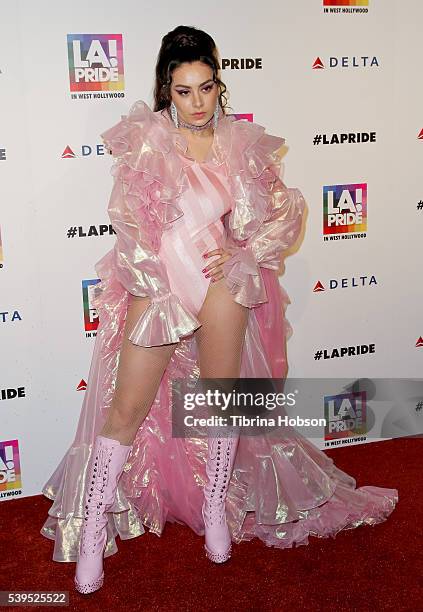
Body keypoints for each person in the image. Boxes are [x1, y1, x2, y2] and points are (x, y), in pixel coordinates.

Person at [40, 25, 398, 595]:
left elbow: (286, 211)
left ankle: (215, 511)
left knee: (221, 398)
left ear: (218, 83)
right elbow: (129, 225)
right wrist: (151, 286)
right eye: (184, 91)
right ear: (166, 91)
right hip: (158, 283)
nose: (198, 101)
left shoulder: (241, 143)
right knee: (125, 410)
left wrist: (244, 249)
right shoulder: (147, 141)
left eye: (207, 87)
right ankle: (91, 532)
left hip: (219, 283)